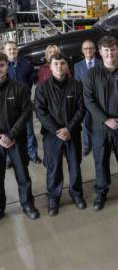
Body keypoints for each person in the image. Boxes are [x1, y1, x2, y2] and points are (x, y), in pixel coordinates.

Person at [83, 35, 118, 210]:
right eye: (106, 50)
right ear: (100, 52)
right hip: (101, 128)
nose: (110, 53)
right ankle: (101, 191)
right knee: (101, 160)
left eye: (113, 49)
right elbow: (89, 100)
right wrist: (106, 120)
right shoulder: (92, 75)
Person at [35, 53, 86, 216]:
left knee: (75, 165)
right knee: (54, 167)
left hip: (72, 133)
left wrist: (69, 129)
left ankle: (76, 194)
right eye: (55, 64)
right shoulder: (42, 88)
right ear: (50, 67)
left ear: (67, 66)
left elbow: (81, 109)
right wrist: (57, 130)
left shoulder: (76, 85)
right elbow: (41, 112)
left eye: (62, 63)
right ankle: (53, 198)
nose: (59, 67)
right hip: (52, 134)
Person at [0, 52, 40, 220]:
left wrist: (11, 135)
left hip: (17, 139)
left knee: (23, 175)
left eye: (1, 65)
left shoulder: (19, 87)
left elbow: (26, 113)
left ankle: (27, 204)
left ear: (7, 65)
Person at [3, 40, 41, 164]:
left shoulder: (26, 64)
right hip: (7, 105)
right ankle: (9, 158)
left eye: (14, 49)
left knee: (29, 131)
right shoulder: (2, 66)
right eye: (9, 49)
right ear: (4, 51)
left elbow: (32, 79)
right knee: (8, 132)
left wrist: (25, 91)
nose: (12, 51)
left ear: (17, 50)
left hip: (24, 104)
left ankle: (32, 154)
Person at [74, 40, 100, 156]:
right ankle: (86, 145)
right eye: (85, 49)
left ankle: (98, 144)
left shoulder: (101, 63)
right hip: (84, 100)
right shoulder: (77, 66)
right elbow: (77, 84)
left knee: (99, 123)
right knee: (86, 124)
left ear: (95, 50)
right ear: (82, 51)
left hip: (100, 100)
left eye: (90, 48)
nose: (88, 51)